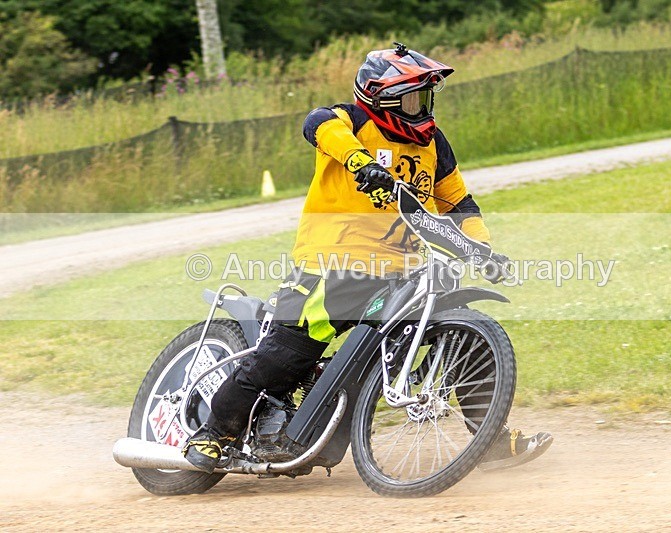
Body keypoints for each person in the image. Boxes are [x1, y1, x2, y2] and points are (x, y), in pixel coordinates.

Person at [182, 42, 553, 473]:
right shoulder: (349, 122)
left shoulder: (434, 144)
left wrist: (483, 249)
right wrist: (362, 164)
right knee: (287, 354)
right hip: (333, 264)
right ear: (381, 98)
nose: (422, 108)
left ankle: (487, 439)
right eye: (412, 98)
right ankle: (214, 432)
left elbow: (459, 203)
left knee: (464, 340)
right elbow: (316, 123)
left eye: (425, 98)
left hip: (402, 271)